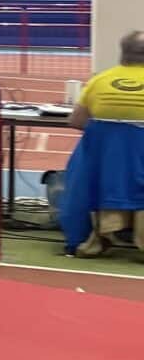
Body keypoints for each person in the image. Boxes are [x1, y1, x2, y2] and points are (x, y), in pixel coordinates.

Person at [64, 31, 144, 256]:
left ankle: (99, 237)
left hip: (106, 169)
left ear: (123, 52)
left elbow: (76, 121)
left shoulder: (99, 80)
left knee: (89, 165)